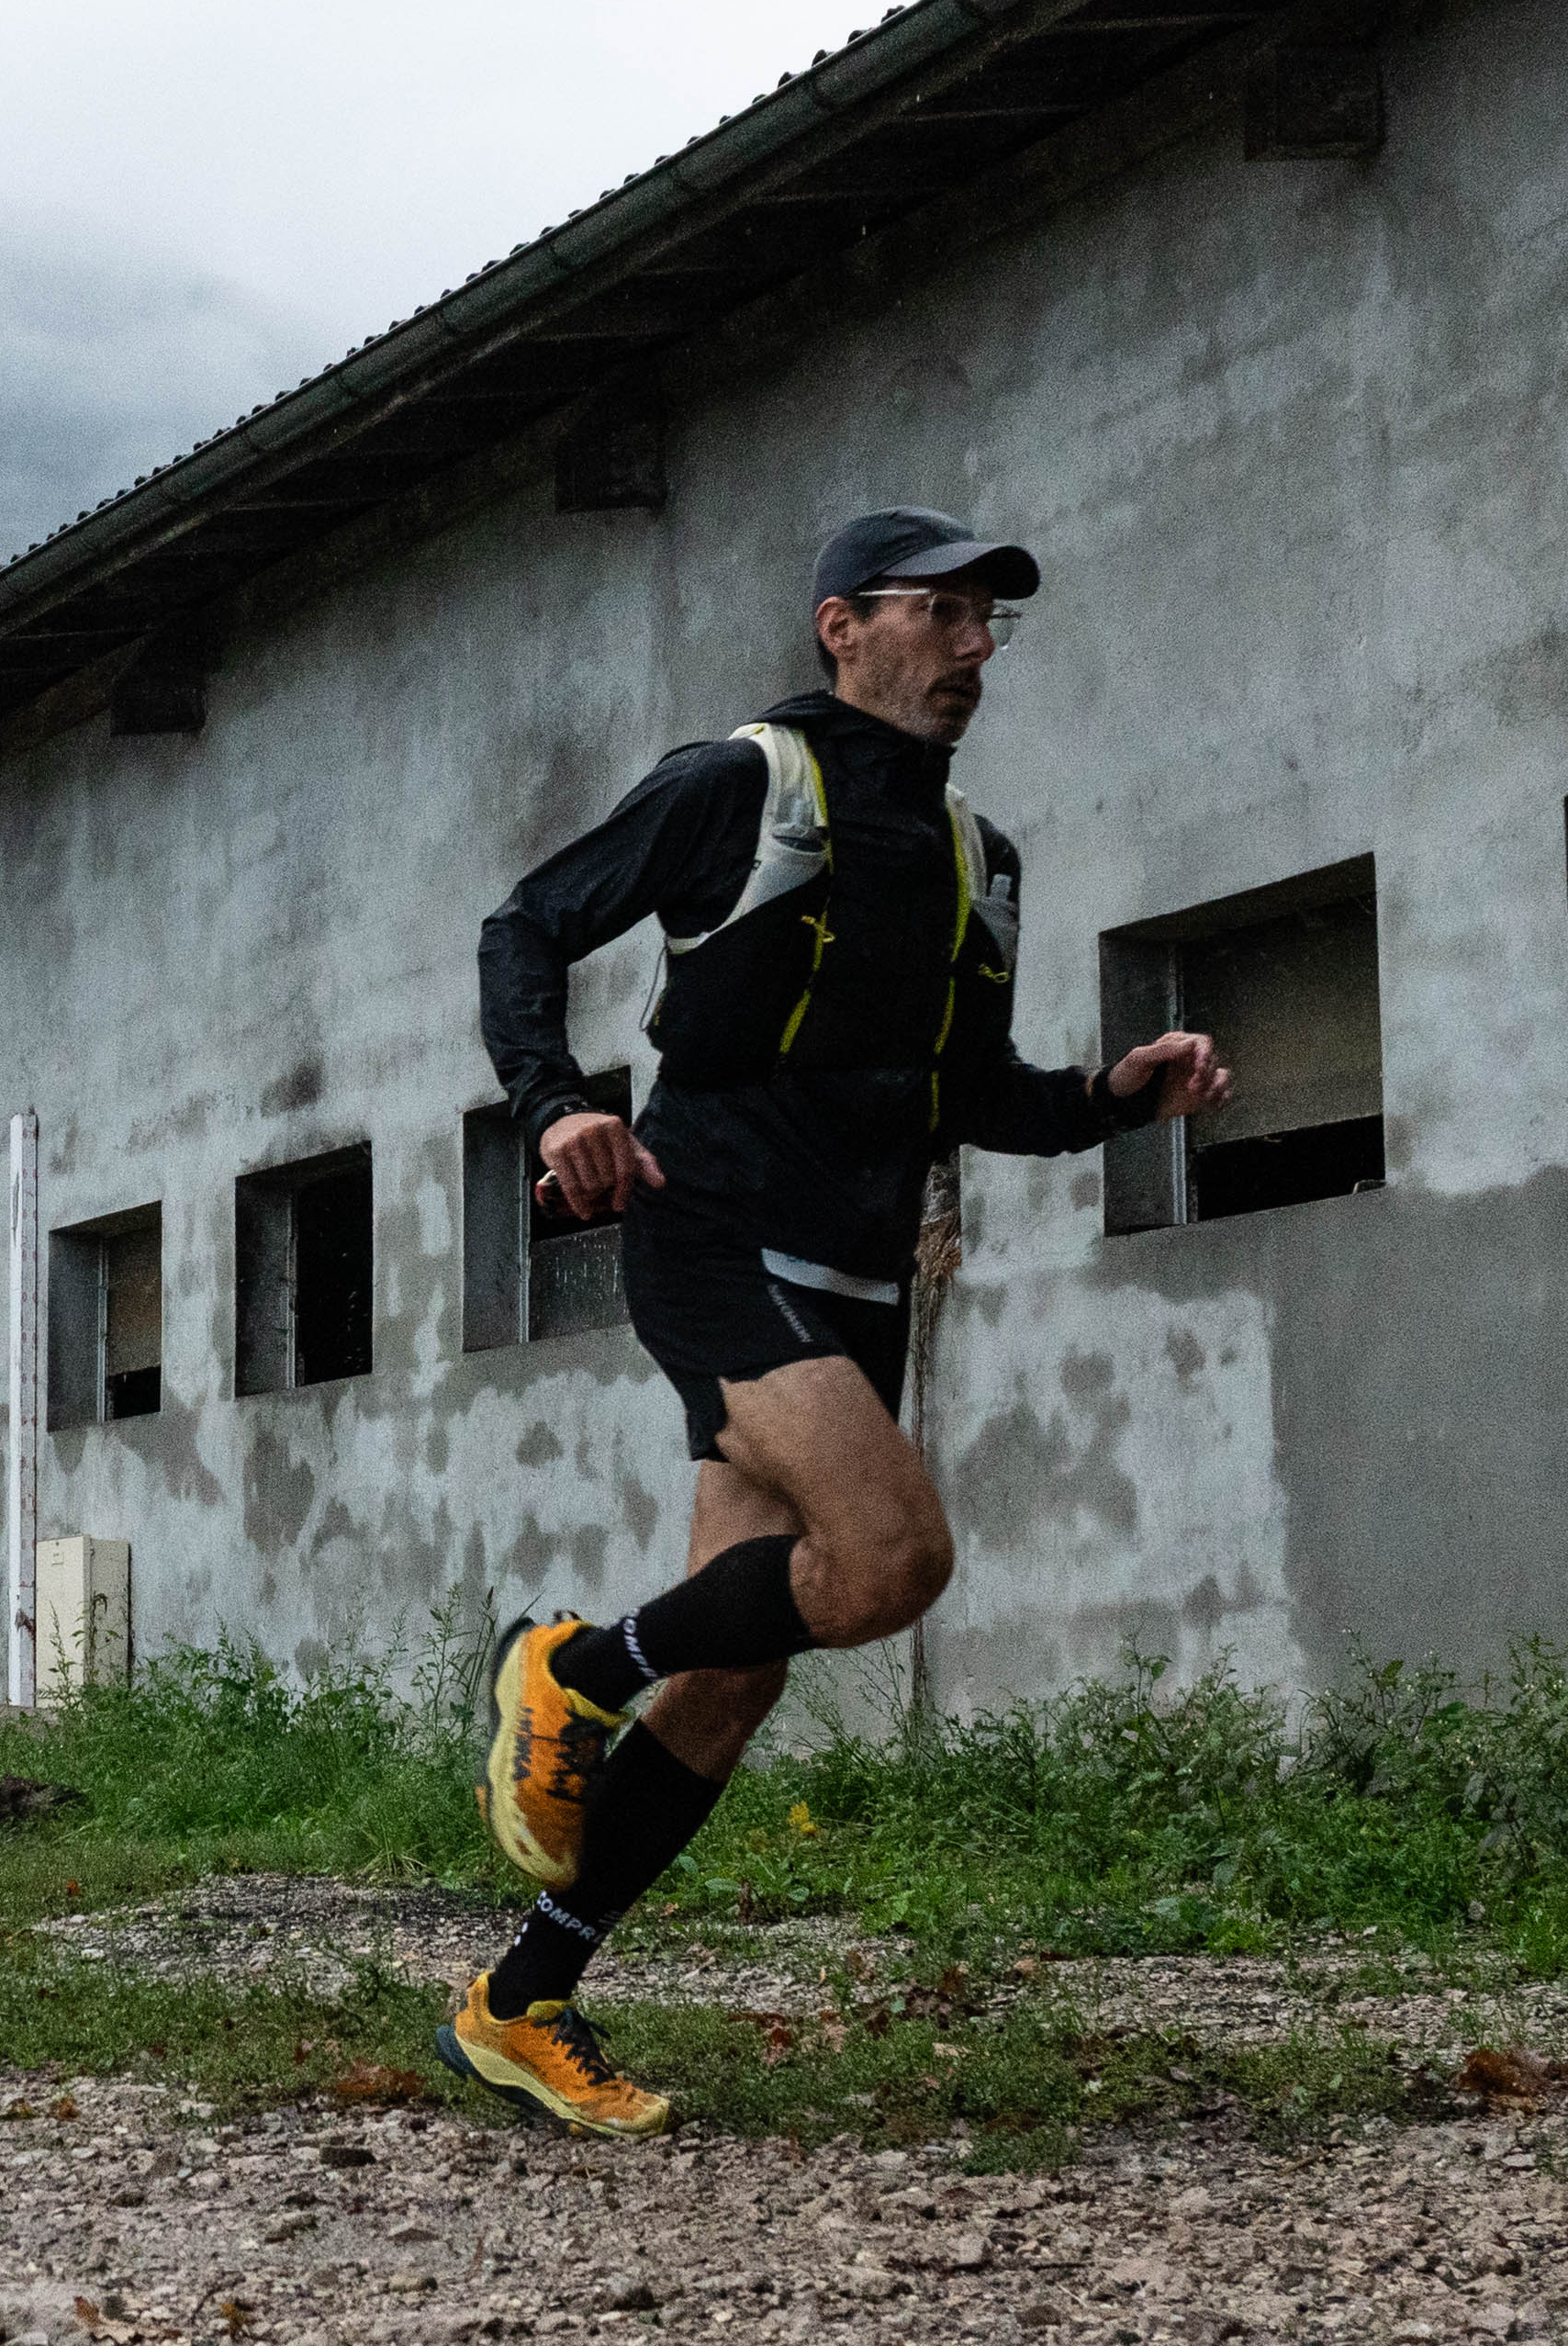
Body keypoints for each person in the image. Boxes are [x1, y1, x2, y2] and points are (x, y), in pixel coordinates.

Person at [454, 510, 1232, 2136]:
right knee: (891, 1562)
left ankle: (519, 2002)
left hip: (859, 1273)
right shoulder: (737, 787)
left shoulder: (975, 859)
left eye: (988, 621)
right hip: (713, 1232)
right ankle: (567, 1665)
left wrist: (1110, 1097)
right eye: (941, 612)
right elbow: (524, 925)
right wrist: (555, 1104)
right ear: (842, 627)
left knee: (733, 1675)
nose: (975, 646)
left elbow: (969, 1094)